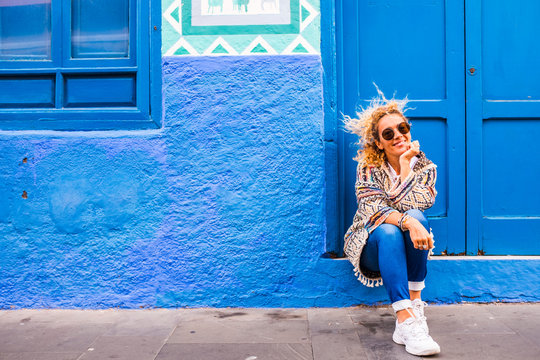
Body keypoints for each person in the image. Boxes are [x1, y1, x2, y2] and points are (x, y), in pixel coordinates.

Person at [343, 91, 441, 356]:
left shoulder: (426, 167)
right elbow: (372, 208)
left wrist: (407, 166)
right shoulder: (367, 167)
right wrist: (408, 221)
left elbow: (420, 203)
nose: (398, 135)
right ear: (378, 143)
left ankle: (410, 315)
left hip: (406, 247)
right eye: (388, 134)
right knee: (389, 230)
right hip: (372, 244)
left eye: (402, 128)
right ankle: (405, 315)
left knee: (418, 216)